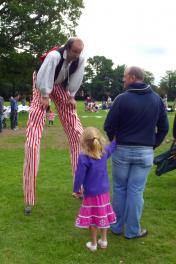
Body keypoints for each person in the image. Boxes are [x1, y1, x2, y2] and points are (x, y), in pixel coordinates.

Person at [104, 66, 169, 239]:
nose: (123, 80)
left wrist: (115, 140)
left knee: (119, 189)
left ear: (133, 77)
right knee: (135, 191)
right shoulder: (156, 100)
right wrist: (152, 145)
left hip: (123, 150)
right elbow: (164, 128)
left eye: (125, 77)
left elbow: (108, 126)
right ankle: (132, 231)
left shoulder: (121, 99)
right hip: (145, 151)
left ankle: (117, 227)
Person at [23, 37, 85, 215]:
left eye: (79, 52)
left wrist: (71, 96)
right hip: (42, 85)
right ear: (67, 48)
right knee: (33, 138)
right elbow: (44, 78)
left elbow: (75, 79)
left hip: (60, 86)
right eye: (75, 52)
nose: (77, 55)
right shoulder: (53, 57)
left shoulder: (79, 60)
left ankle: (80, 187)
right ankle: (29, 198)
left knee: (78, 134)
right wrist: (44, 96)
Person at [73, 127, 116, 251]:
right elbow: (112, 147)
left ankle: (93, 244)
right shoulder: (104, 153)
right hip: (104, 192)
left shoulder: (83, 157)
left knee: (93, 219)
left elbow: (79, 176)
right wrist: (117, 137)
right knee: (103, 215)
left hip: (91, 194)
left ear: (84, 142)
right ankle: (103, 241)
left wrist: (76, 190)